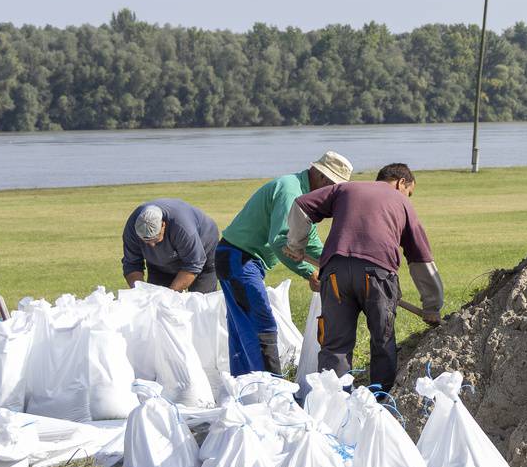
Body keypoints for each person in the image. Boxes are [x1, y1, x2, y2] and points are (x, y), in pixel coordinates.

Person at [283, 162, 444, 396]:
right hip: (377, 275)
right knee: (382, 340)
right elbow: (420, 257)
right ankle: (379, 405)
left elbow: (302, 205)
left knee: (335, 346)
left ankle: (332, 406)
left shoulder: (345, 189)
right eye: (410, 192)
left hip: (335, 273)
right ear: (401, 183)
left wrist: (296, 244)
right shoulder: (401, 203)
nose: (409, 198)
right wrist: (432, 305)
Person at [214, 151, 354, 378]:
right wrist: (310, 272)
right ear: (322, 178)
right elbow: (281, 240)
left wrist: (335, 263)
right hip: (238, 259)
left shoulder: (305, 195)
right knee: (262, 326)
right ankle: (272, 392)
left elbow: (310, 240)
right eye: (332, 188)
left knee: (242, 330)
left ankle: (246, 389)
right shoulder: (291, 191)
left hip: (239, 258)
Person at [122, 198, 222, 293]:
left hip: (202, 251)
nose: (152, 245)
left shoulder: (183, 228)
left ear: (163, 225)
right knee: (157, 303)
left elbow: (194, 264)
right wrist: (140, 292)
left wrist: (169, 295)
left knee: (201, 301)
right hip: (160, 264)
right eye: (146, 241)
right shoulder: (131, 229)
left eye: (155, 240)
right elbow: (132, 264)